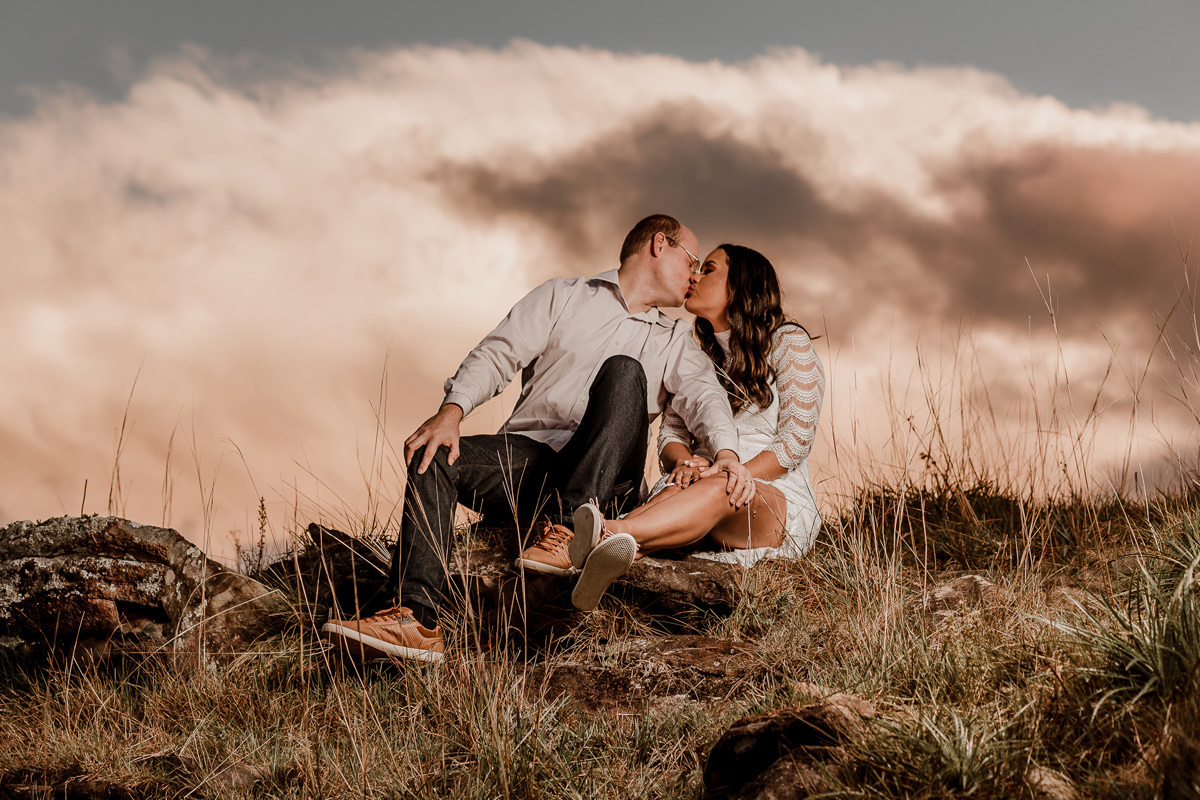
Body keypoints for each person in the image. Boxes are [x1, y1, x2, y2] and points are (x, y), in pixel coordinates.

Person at [321, 215, 754, 662]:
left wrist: (726, 452)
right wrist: (451, 413)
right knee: (432, 454)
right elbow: (498, 353)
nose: (695, 274)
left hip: (609, 483)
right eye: (692, 261)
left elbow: (705, 396)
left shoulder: (676, 337)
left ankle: (572, 531)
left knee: (625, 371)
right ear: (659, 245)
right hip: (534, 462)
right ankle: (415, 619)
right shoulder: (562, 296)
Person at [566, 243, 825, 612]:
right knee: (677, 487)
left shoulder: (787, 342)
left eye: (709, 269)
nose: (695, 276)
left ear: (741, 283)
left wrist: (730, 471)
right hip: (699, 484)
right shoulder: (695, 354)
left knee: (723, 485)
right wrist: (684, 463)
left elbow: (794, 443)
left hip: (770, 495)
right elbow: (671, 435)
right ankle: (612, 554)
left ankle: (610, 532)